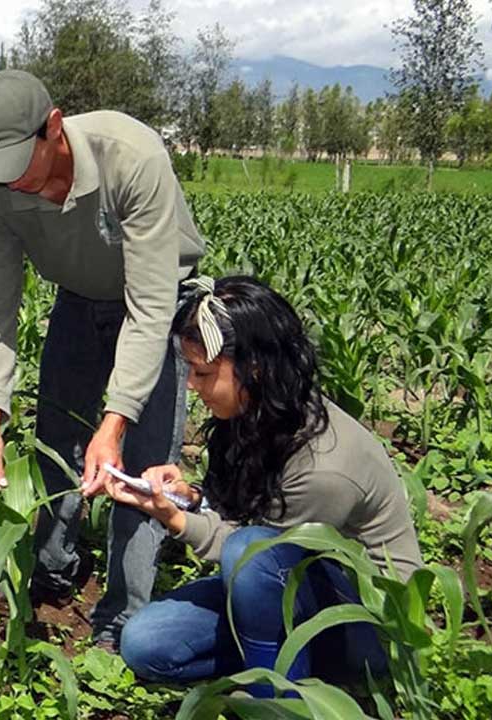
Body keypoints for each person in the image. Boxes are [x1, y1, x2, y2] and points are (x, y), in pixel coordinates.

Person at [0, 69, 206, 647]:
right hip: (77, 299)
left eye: (21, 162)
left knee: (140, 467)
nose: (11, 183)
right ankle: (53, 569)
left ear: (54, 127)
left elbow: (150, 305)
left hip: (156, 300)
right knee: (58, 443)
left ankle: (123, 616)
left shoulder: (130, 155)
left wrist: (115, 419)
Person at [111, 276, 423, 693]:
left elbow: (258, 554)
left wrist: (177, 521)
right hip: (285, 585)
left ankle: (275, 698)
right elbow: (252, 520)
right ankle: (282, 657)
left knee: (249, 554)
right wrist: (189, 498)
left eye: (203, 372)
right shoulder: (262, 412)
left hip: (370, 621)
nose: (191, 385)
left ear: (253, 367)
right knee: (147, 642)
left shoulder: (324, 468)